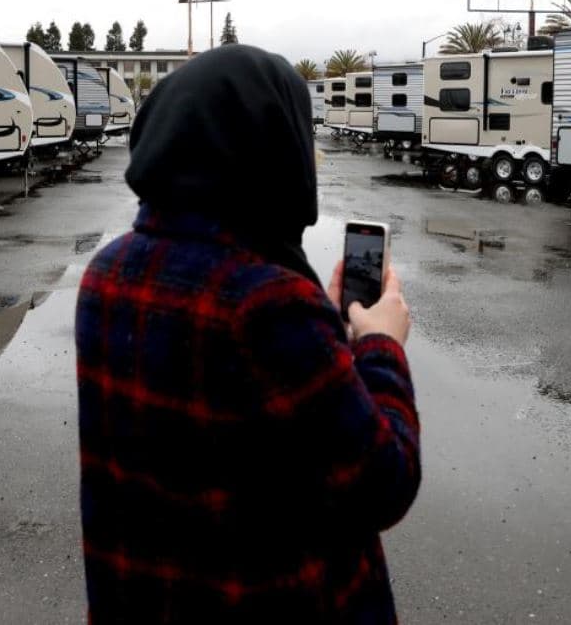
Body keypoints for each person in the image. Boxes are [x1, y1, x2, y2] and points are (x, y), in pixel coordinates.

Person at [75, 44, 420, 623]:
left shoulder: (105, 272)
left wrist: (325, 329)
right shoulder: (269, 303)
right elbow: (382, 482)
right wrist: (379, 344)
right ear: (267, 148)